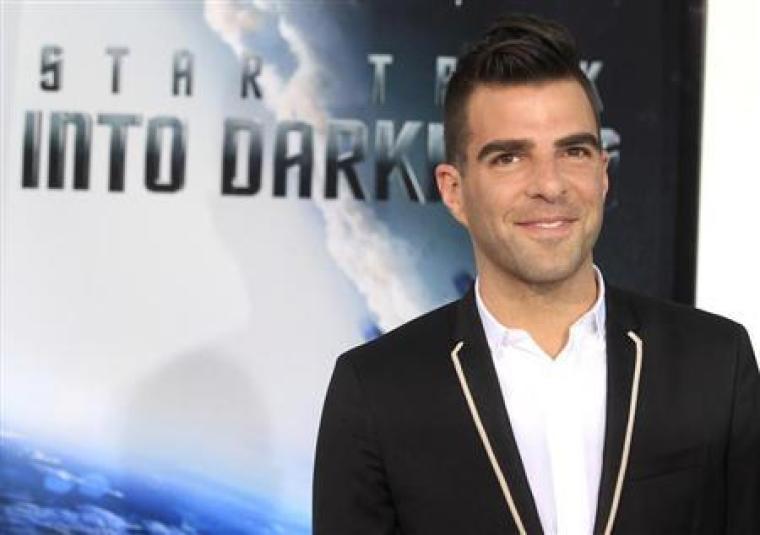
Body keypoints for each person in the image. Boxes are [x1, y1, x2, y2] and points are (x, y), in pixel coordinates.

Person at [312, 13, 760, 535]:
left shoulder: (714, 362)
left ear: (603, 173)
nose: (550, 185)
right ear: (454, 190)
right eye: (509, 158)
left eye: (573, 151)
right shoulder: (376, 391)